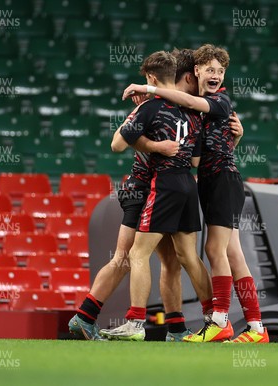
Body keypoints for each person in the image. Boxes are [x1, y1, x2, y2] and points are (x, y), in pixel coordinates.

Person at [122, 44, 268, 343]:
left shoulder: (220, 101)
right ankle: (256, 328)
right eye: (210, 69)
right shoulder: (194, 108)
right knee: (233, 254)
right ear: (196, 72)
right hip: (211, 180)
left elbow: (185, 100)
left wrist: (148, 89)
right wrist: (234, 139)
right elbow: (199, 159)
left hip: (223, 182)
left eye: (220, 70)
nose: (215, 75)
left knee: (216, 251)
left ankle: (220, 321)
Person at [68, 49, 197, 341]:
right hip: (143, 188)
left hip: (160, 189)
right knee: (125, 258)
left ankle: (175, 328)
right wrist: (156, 146)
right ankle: (88, 317)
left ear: (151, 78)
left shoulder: (178, 108)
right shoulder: (152, 107)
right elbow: (117, 143)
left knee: (169, 263)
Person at [98, 51, 212, 341]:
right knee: (188, 257)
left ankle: (135, 324)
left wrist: (150, 136)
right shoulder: (195, 110)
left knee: (138, 253)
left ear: (151, 78)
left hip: (164, 185)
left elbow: (117, 146)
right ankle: (215, 318)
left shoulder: (151, 107)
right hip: (189, 183)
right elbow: (197, 162)